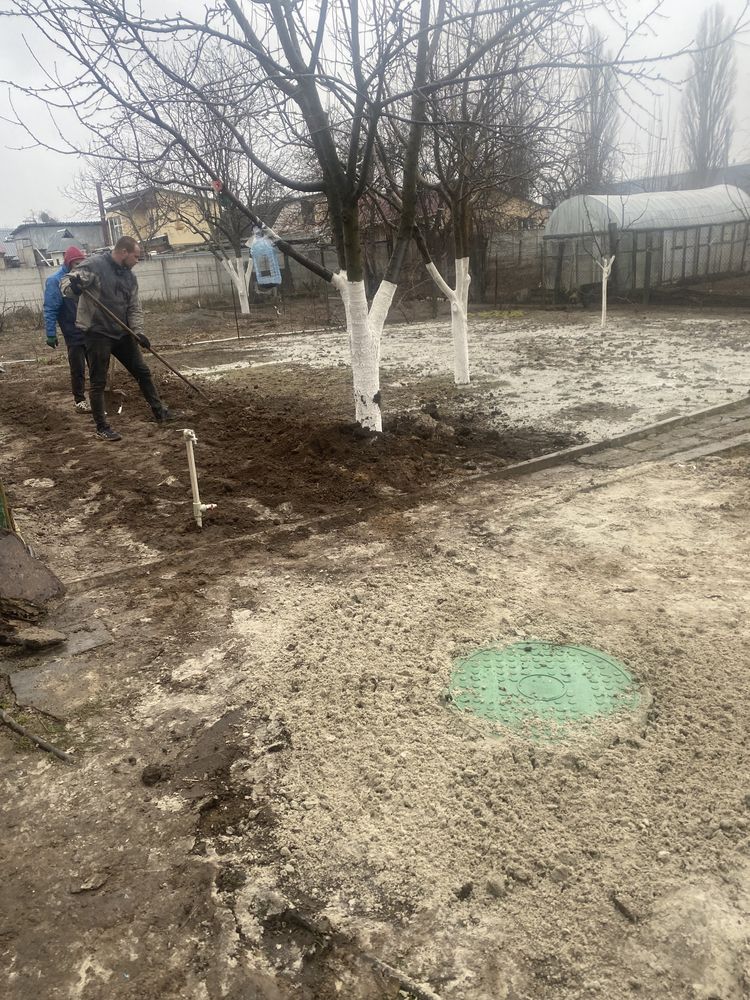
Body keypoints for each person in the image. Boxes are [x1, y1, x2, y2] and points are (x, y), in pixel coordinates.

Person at [62, 236, 178, 442]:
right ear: (123, 252)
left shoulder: (129, 277)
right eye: (136, 256)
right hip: (97, 333)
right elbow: (66, 285)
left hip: (122, 333)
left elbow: (134, 307)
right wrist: (75, 287)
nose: (137, 261)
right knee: (98, 381)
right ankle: (102, 427)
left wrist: (139, 332)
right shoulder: (95, 265)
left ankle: (160, 412)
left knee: (142, 371)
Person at [43, 245, 91, 411]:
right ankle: (79, 401)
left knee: (97, 364)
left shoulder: (84, 278)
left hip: (90, 329)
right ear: (69, 263)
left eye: (81, 263)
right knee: (78, 368)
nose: (79, 267)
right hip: (72, 331)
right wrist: (50, 333)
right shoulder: (55, 281)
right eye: (76, 263)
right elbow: (50, 308)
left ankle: (99, 397)